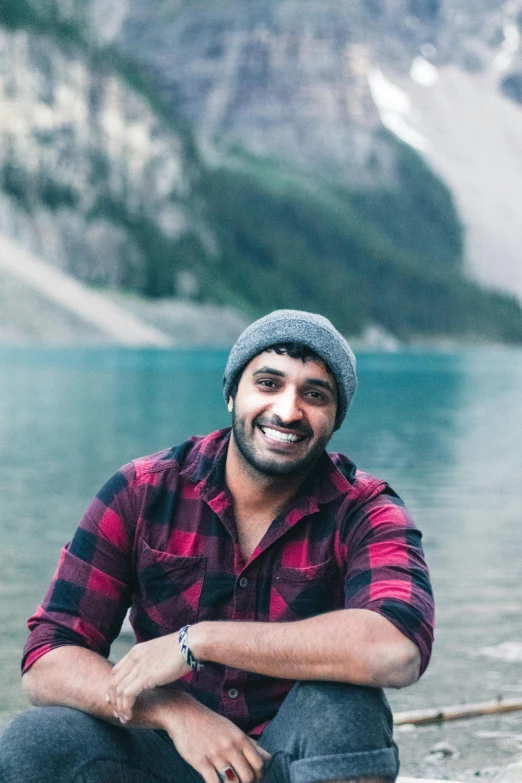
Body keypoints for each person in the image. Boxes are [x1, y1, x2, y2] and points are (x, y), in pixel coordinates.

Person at [0, 310, 434, 783]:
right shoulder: (142, 491)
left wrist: (200, 641)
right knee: (39, 741)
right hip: (167, 757)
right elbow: (48, 657)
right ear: (231, 393)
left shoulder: (366, 509)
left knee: (346, 706)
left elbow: (397, 647)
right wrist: (173, 712)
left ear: (335, 418)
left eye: (314, 395)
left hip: (291, 763)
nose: (288, 411)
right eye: (268, 384)